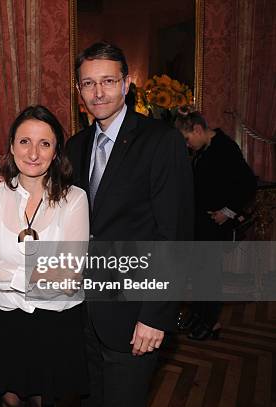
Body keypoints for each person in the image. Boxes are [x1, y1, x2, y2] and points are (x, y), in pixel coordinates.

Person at [65, 42, 194, 406]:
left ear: (126, 84)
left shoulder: (160, 140)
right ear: (79, 92)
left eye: (108, 81)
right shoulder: (75, 146)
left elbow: (176, 235)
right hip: (83, 314)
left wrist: (156, 314)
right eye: (88, 83)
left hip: (134, 314)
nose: (98, 91)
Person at [0, 105, 89, 406]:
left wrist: (5, 267)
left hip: (55, 323)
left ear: (56, 151)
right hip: (4, 319)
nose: (33, 153)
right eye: (25, 141)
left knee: (46, 401)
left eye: (45, 143)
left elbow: (69, 276)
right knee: (9, 400)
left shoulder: (75, 199)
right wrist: (39, 271)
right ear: (11, 146)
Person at [174, 108, 256, 340]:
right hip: (201, 224)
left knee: (210, 276)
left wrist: (228, 212)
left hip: (214, 225)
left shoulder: (225, 148)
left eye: (187, 139)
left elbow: (248, 183)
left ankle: (211, 323)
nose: (187, 145)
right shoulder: (203, 150)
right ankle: (199, 316)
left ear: (198, 129)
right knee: (200, 274)